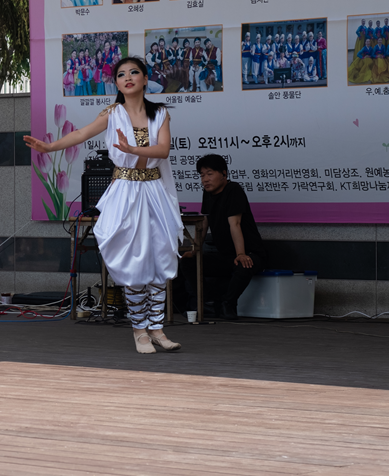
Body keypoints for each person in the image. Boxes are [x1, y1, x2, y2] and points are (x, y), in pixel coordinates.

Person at [24, 56, 183, 354]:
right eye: (121, 74)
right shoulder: (112, 113)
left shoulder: (160, 113)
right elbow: (81, 133)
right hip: (125, 192)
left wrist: (132, 148)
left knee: (160, 257)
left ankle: (158, 328)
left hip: (153, 191)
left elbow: (163, 150)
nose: (128, 78)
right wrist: (50, 146)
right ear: (117, 83)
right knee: (134, 260)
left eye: (134, 72)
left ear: (145, 79)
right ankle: (140, 331)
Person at [183, 154, 267, 320]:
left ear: (224, 174)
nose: (205, 179)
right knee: (188, 262)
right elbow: (204, 223)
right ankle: (207, 303)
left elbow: (235, 224)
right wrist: (195, 249)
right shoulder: (207, 193)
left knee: (244, 264)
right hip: (225, 256)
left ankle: (228, 303)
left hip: (251, 253)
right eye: (202, 175)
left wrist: (241, 253)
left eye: (209, 174)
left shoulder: (233, 190)